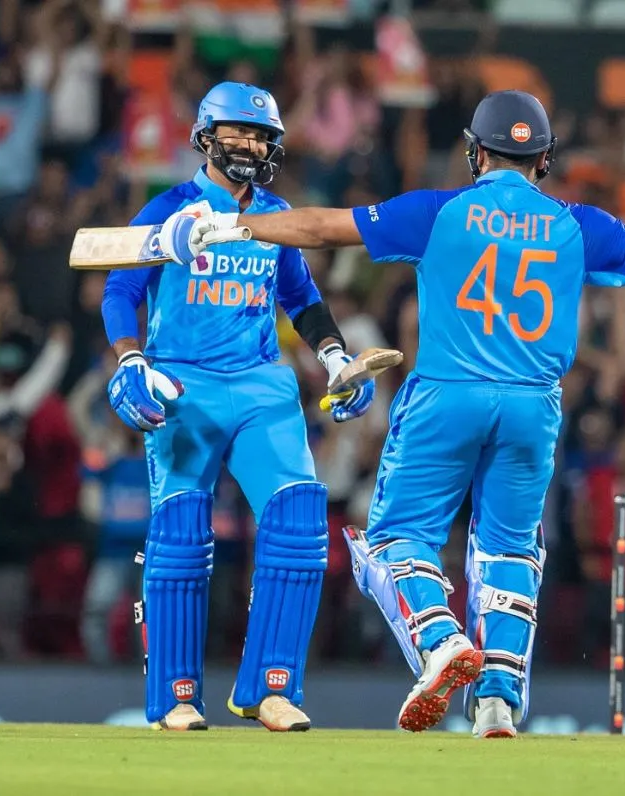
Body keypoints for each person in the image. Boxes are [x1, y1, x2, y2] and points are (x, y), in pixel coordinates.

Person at [157, 90, 625, 737]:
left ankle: (440, 638)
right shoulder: (576, 224)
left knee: (396, 539)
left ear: (475, 155)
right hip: (534, 407)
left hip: (447, 395)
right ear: (543, 160)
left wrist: (230, 224)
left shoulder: (439, 212)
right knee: (510, 550)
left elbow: (326, 226)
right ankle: (499, 703)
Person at [101, 82, 379, 732]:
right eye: (238, 133)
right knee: (180, 531)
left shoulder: (276, 214)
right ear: (204, 137)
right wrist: (129, 359)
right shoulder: (166, 209)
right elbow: (120, 288)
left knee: (301, 518)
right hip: (182, 383)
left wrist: (336, 357)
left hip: (261, 384)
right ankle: (175, 696)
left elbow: (302, 299)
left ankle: (272, 687)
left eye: (262, 136)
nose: (252, 145)